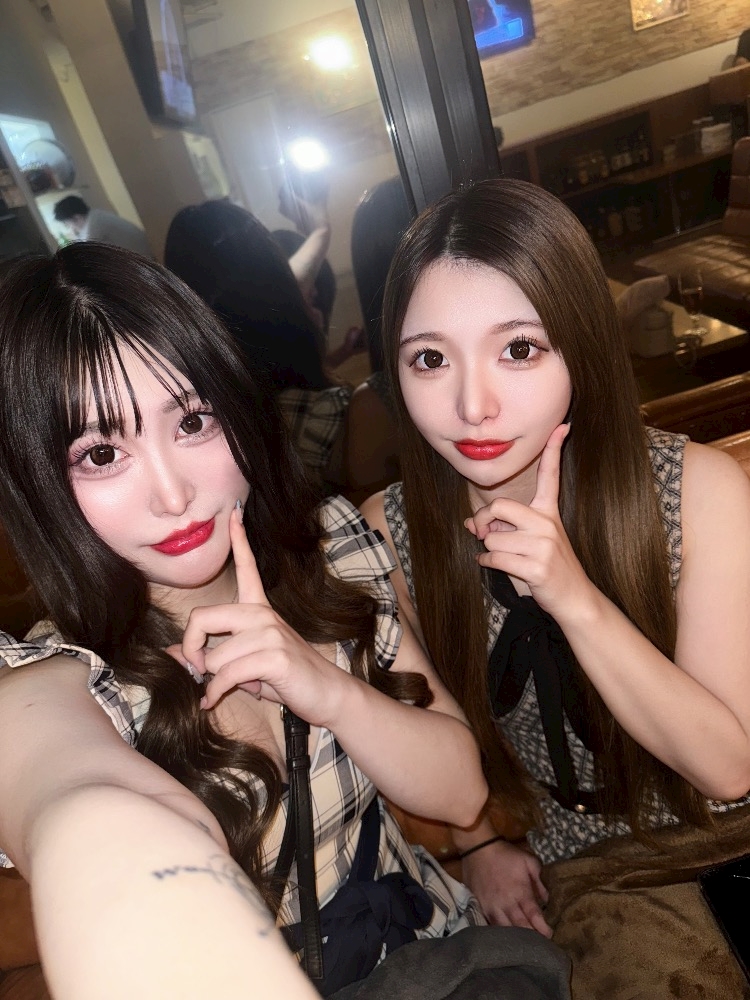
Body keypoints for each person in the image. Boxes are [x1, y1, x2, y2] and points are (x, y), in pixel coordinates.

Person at [0, 244, 498, 1000]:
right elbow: (76, 806)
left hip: (438, 951)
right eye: (101, 454)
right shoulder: (63, 679)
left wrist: (326, 687)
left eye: (192, 420)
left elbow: (462, 795)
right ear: (39, 483)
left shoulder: (330, 547)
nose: (173, 494)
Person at [360, 178, 750, 997]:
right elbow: (434, 739)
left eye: (519, 350)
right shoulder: (390, 536)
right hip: (596, 865)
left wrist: (574, 596)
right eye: (430, 359)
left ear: (581, 345)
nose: (473, 404)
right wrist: (478, 844)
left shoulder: (697, 488)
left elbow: (727, 770)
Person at [164, 201, 395, 499]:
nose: (312, 297)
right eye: (306, 296)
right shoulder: (355, 412)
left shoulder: (218, 425)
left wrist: (320, 230)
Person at [53, 194, 152, 256]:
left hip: (142, 262)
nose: (69, 227)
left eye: (67, 223)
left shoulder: (94, 225)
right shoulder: (95, 216)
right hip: (143, 257)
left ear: (76, 218)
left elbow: (87, 255)